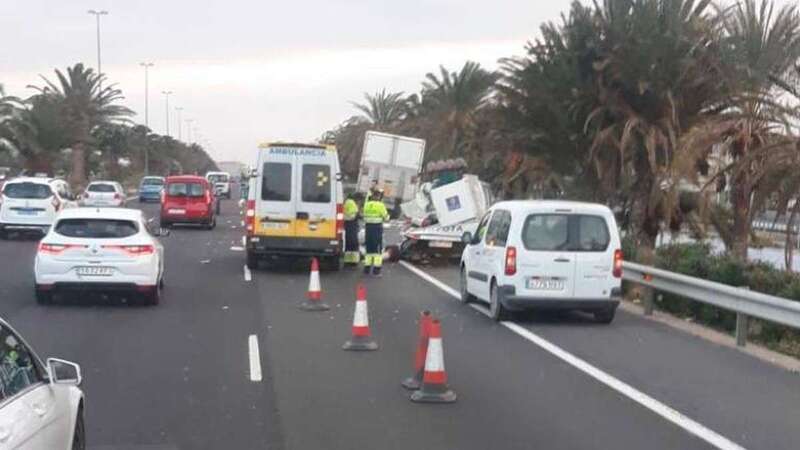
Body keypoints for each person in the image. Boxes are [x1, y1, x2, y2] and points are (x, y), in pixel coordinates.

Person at [362, 189, 390, 276]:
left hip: (368, 227)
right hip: (376, 228)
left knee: (369, 249)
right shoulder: (380, 205)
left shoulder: (366, 204)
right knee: (377, 250)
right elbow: (386, 217)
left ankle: (366, 269)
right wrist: (387, 217)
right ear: (378, 196)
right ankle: (376, 271)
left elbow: (363, 215)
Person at [343, 193, 361, 266]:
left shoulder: (347, 202)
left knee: (348, 242)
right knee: (354, 243)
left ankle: (347, 261)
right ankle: (354, 261)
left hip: (347, 224)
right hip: (352, 224)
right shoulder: (352, 203)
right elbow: (354, 215)